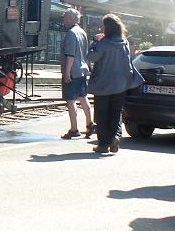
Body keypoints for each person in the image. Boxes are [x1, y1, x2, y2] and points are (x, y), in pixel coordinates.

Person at [87, 14, 144, 154]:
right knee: (116, 113)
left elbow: (91, 57)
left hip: (103, 84)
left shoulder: (103, 43)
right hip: (120, 84)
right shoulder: (124, 42)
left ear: (106, 27)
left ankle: (103, 145)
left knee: (101, 114)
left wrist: (95, 42)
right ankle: (115, 138)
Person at [59, 8, 95, 139]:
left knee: (70, 100)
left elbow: (70, 55)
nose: (63, 19)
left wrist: (67, 72)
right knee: (83, 97)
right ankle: (90, 123)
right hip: (82, 70)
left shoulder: (71, 33)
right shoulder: (82, 32)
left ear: (69, 18)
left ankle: (74, 129)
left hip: (73, 71)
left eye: (64, 17)